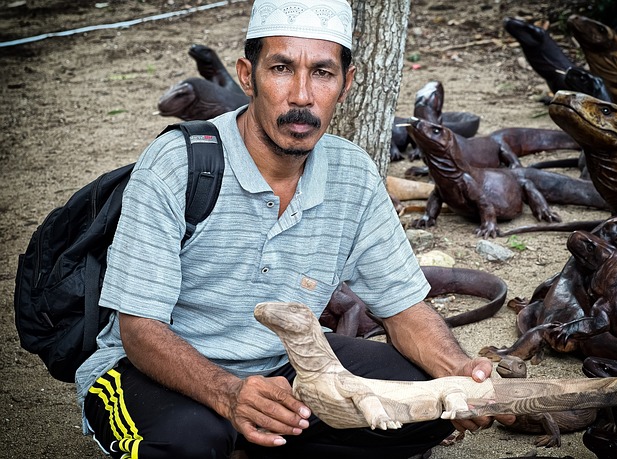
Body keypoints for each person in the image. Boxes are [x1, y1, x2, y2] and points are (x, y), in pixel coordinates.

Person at [76, 0, 511, 457]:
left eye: (323, 73)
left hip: (288, 366)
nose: (302, 95)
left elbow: (403, 308)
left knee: (425, 396)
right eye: (282, 68)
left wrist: (460, 371)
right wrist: (228, 393)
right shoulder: (178, 164)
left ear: (346, 84)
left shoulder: (353, 172)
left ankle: (255, 440)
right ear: (247, 75)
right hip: (153, 370)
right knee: (190, 444)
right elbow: (139, 328)